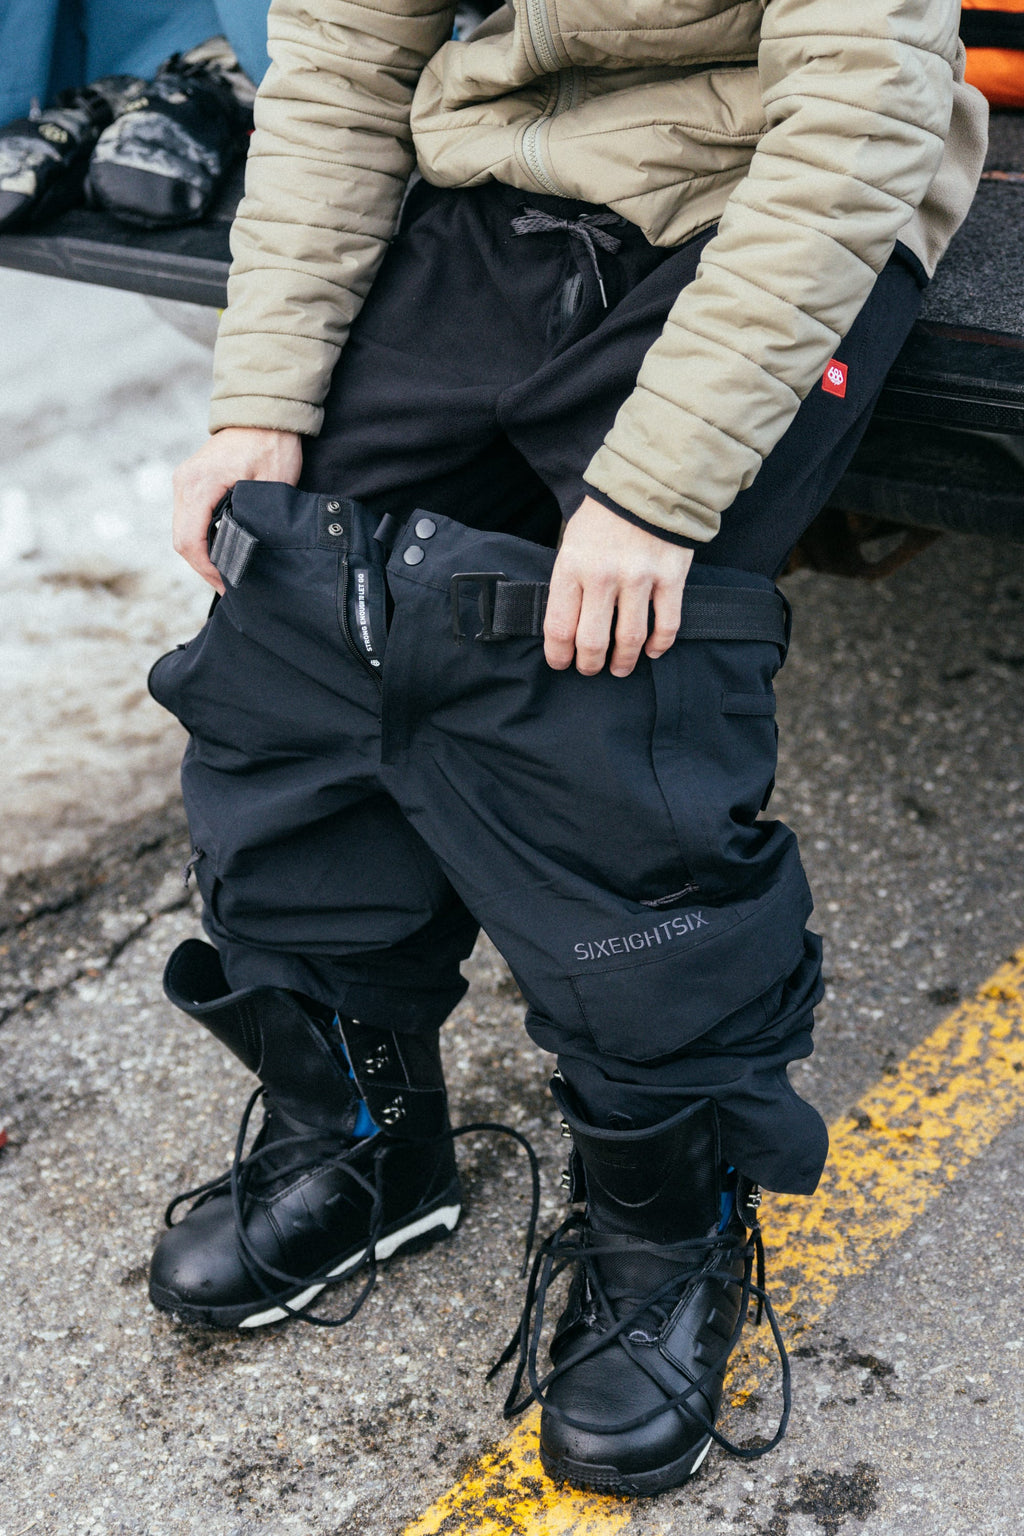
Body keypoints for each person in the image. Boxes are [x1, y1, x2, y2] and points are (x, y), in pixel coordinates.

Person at [147, 0, 987, 1498]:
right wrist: (263, 398)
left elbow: (861, 110)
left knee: (603, 691)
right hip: (516, 175)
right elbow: (342, 56)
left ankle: (667, 1233)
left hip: (774, 193)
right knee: (296, 608)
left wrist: (656, 488)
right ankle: (366, 1137)